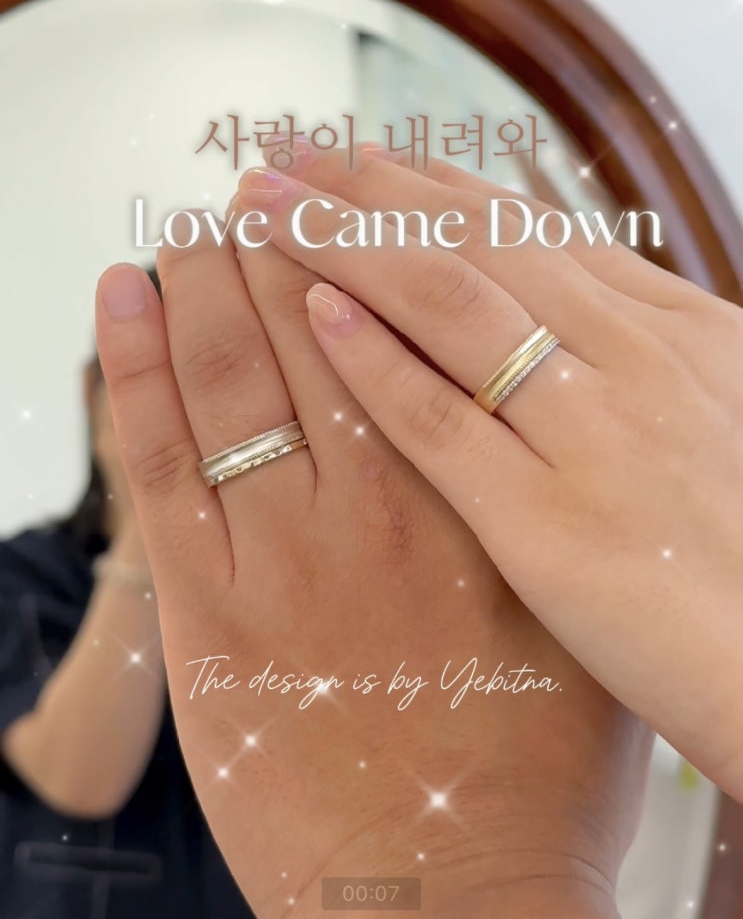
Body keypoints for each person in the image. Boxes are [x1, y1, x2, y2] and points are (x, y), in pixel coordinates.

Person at [94, 214, 654, 919]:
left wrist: (472, 854)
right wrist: (157, 523)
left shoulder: (458, 532)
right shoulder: (32, 569)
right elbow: (75, 776)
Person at [0, 270, 254, 919]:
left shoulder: (272, 587)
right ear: (93, 392)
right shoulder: (22, 574)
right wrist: (156, 501)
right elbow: (78, 777)